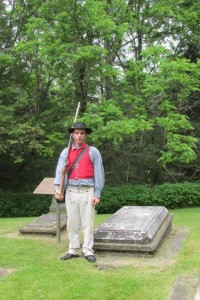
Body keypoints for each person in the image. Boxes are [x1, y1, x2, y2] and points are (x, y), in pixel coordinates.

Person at [54, 122, 105, 263]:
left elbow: (99, 174)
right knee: (72, 223)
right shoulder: (66, 152)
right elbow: (60, 172)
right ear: (72, 135)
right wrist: (58, 189)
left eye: (82, 133)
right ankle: (73, 250)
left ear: (85, 135)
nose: (79, 136)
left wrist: (97, 193)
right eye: (77, 133)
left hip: (87, 191)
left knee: (87, 223)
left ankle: (88, 250)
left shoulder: (93, 151)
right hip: (70, 191)